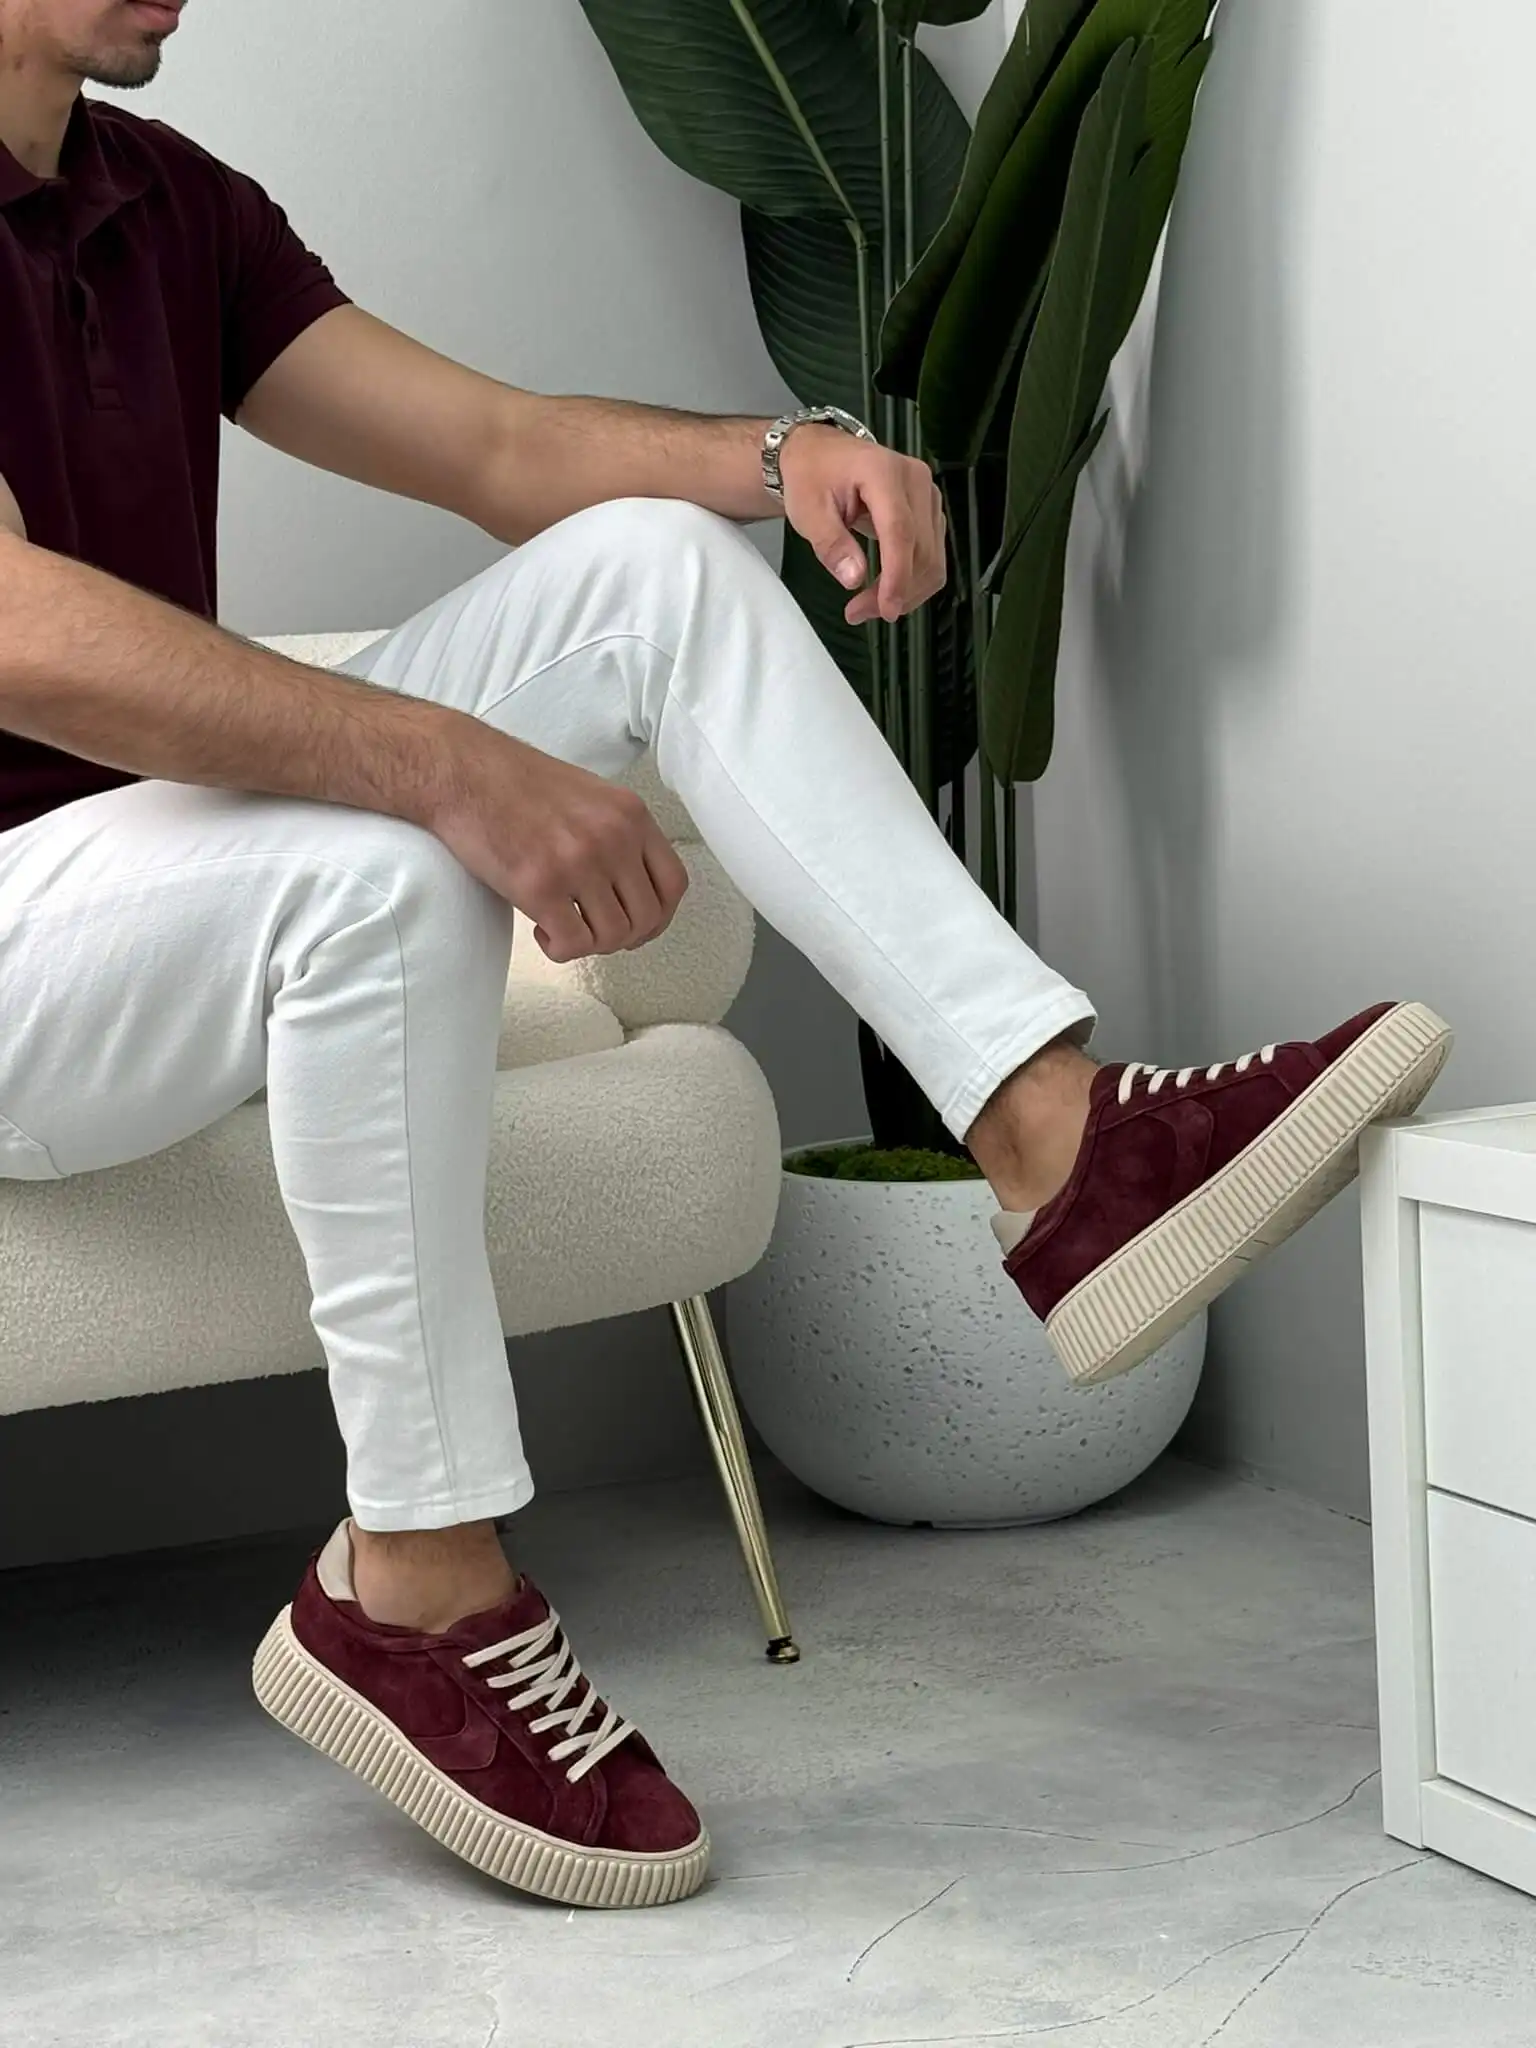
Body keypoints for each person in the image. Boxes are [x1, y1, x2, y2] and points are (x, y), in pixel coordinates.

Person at [0, 0, 1450, 1912]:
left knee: (662, 567)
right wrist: (457, 768)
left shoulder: (161, 201)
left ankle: (1052, 1135)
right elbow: (21, 633)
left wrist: (778, 456)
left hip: (143, 881)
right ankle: (414, 1577)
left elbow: (499, 446)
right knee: (383, 868)